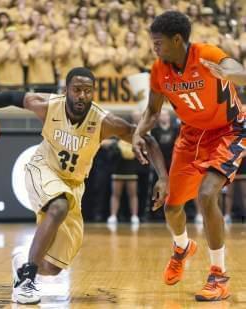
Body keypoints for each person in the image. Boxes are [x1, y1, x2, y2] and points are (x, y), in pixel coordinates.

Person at [0, 67, 168, 305]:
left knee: (54, 267)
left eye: (88, 91)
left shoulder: (104, 121)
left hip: (73, 185)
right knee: (58, 206)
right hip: (41, 169)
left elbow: (145, 138)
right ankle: (27, 280)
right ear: (66, 90)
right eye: (77, 90)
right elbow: (10, 97)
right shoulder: (47, 106)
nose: (82, 96)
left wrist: (163, 177)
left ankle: (24, 263)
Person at [132, 11, 246, 302]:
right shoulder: (159, 70)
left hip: (229, 130)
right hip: (192, 135)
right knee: (172, 207)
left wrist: (230, 73)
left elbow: (237, 69)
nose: (154, 48)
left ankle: (218, 276)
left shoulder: (207, 53)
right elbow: (153, 113)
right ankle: (182, 247)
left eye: (158, 43)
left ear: (177, 39)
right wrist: (137, 133)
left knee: (207, 194)